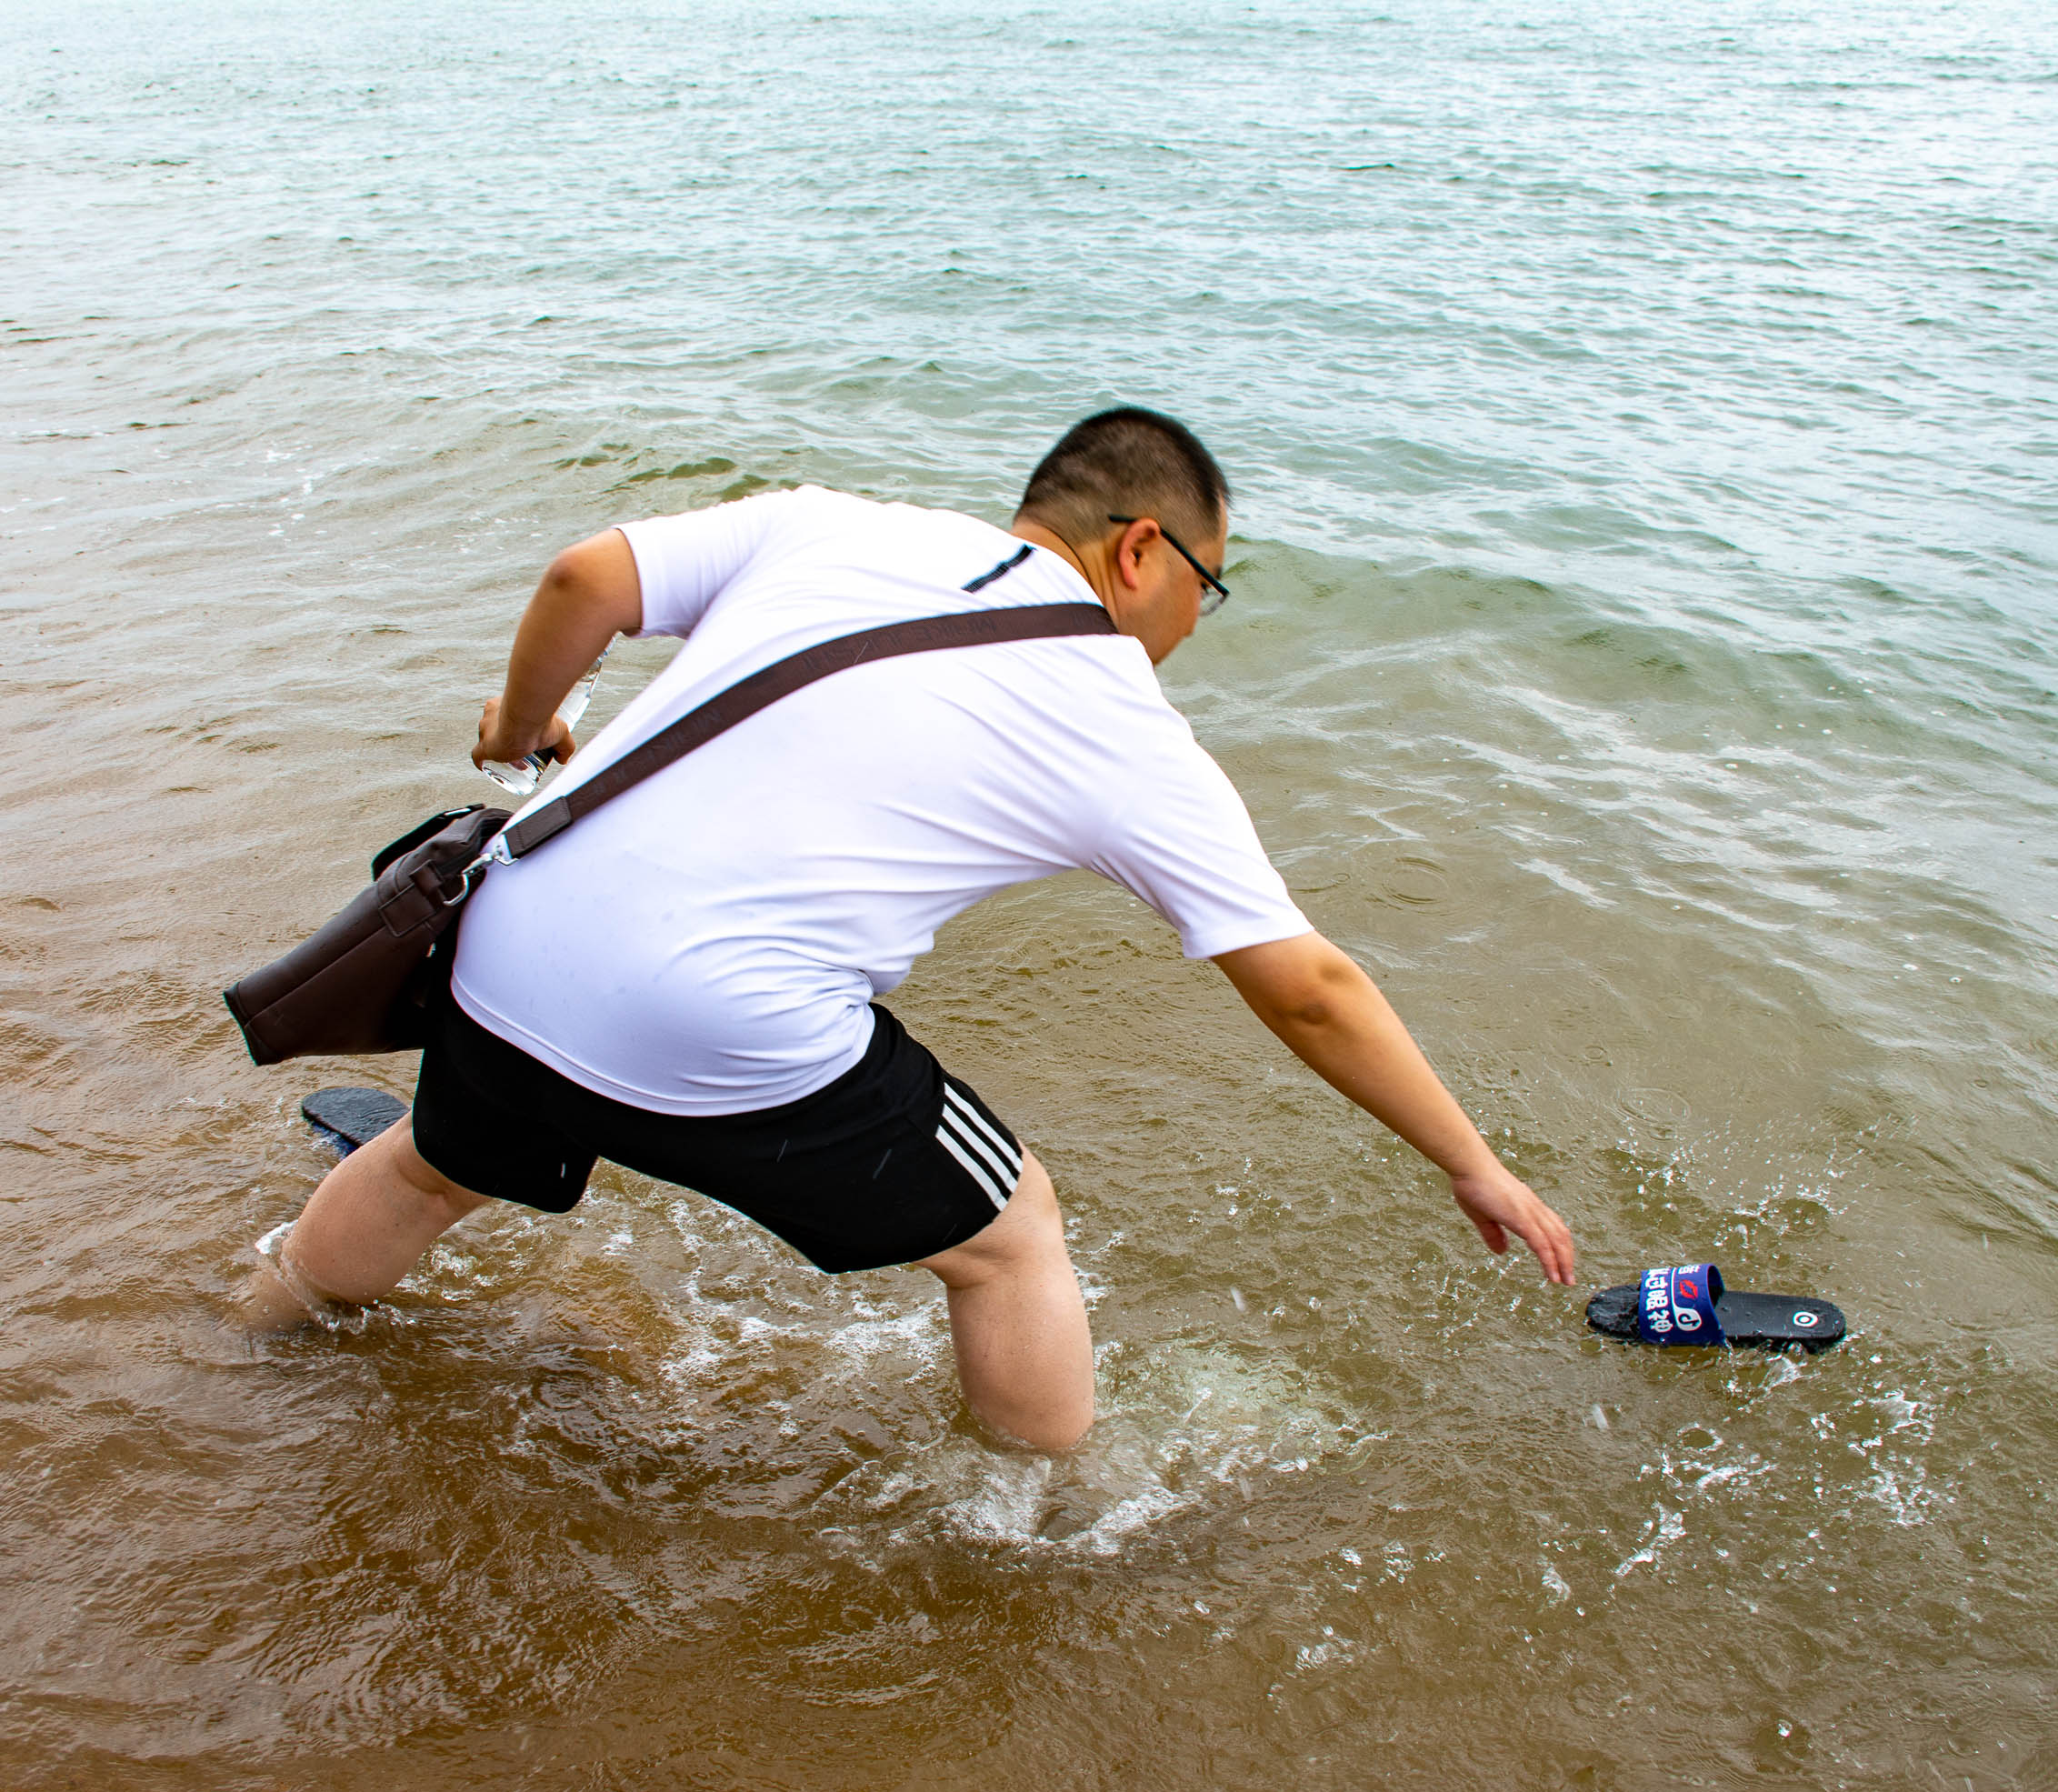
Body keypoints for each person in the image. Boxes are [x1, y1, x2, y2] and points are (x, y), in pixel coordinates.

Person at [241, 408, 1574, 1449]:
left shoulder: (833, 525)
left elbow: (583, 575)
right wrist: (1472, 1162)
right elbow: (1311, 989)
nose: (1188, 630)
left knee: (434, 1167)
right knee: (1010, 1237)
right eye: (1205, 592)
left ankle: (258, 1332)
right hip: (718, 1020)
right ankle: (1043, 1526)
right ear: (1142, 550)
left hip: (505, 940)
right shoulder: (1114, 716)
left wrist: (525, 730)